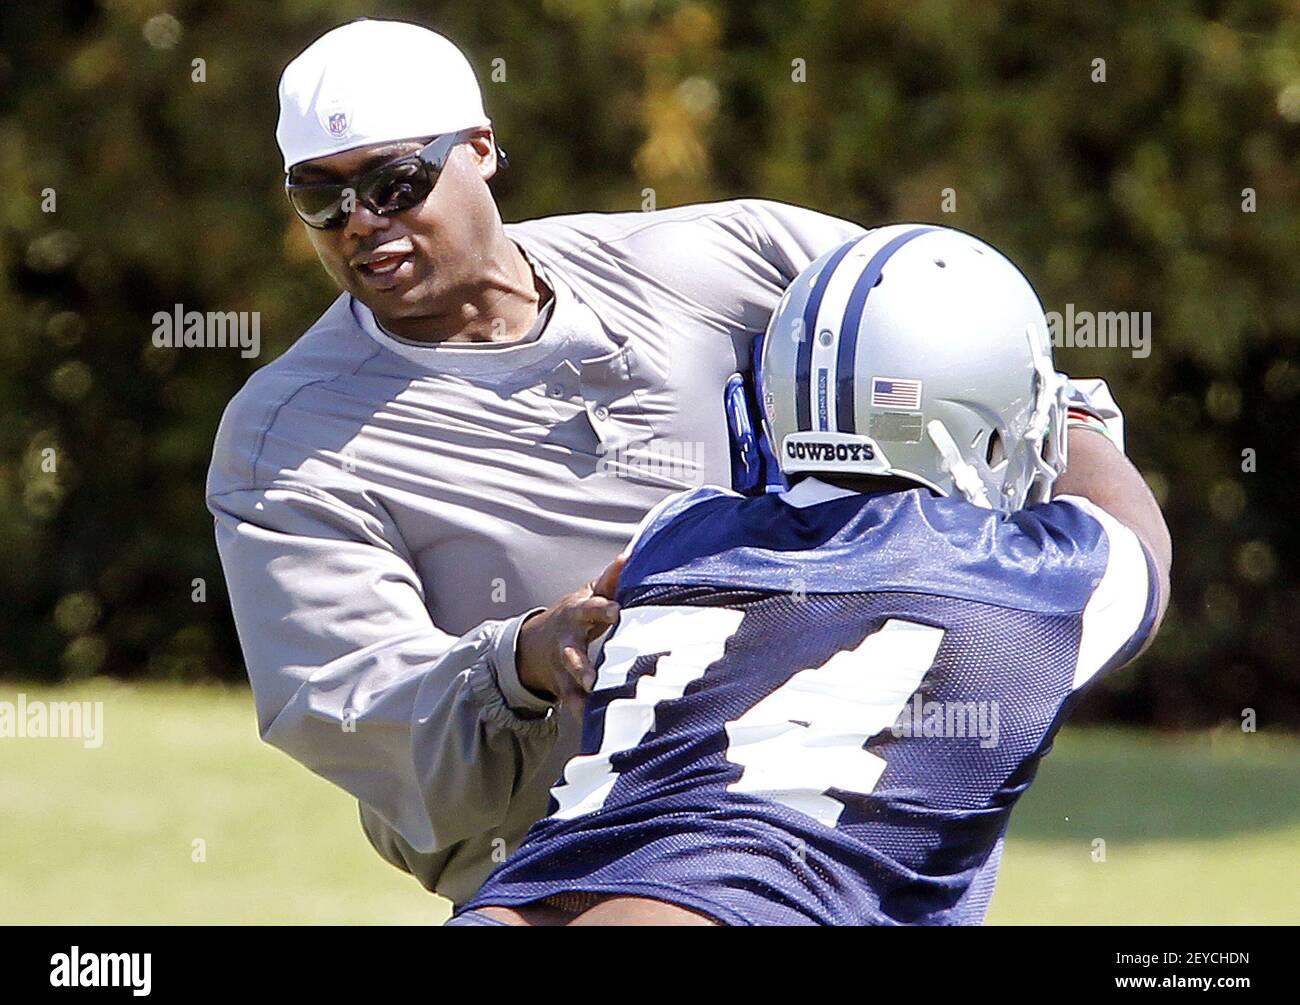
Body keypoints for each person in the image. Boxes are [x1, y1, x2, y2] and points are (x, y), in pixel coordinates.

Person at [204, 17, 869, 905]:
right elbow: (357, 712)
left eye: (393, 182)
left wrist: (1108, 532)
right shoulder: (287, 437)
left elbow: (966, 332)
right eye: (320, 198)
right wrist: (523, 661)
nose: (360, 223)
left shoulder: (709, 263)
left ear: (479, 150)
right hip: (572, 876)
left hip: (826, 834)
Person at [454, 224, 1172, 925]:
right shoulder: (1032, 579)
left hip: (517, 900)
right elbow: (1141, 543)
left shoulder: (676, 534)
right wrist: (1077, 416)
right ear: (985, 416)